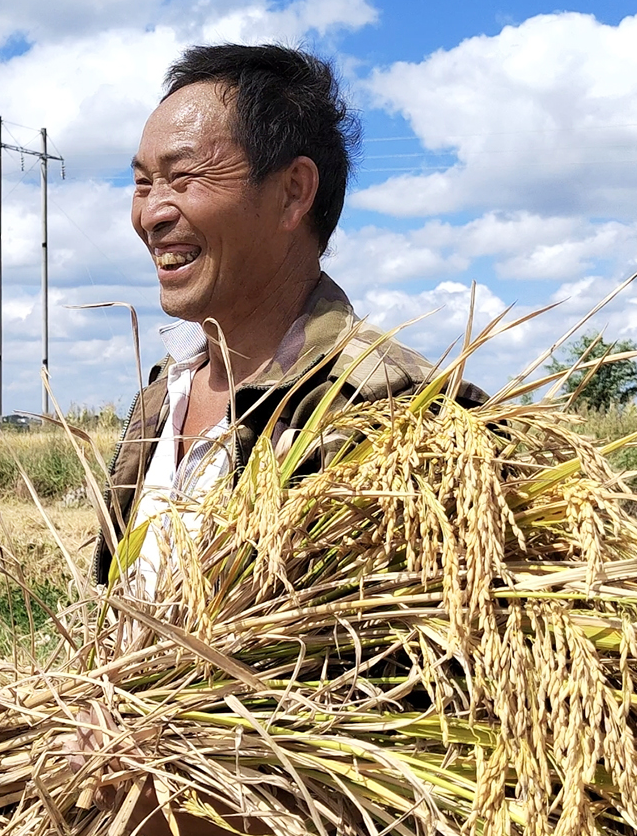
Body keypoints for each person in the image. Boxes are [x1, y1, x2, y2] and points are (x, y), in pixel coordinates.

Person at [93, 42, 481, 589]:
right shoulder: (166, 391)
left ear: (293, 193)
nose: (151, 213)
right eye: (142, 183)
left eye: (184, 178)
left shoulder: (391, 416)